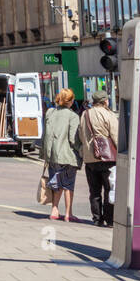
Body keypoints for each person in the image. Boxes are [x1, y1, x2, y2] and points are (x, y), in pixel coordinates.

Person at [43, 88, 83, 222]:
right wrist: (81, 150)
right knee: (68, 184)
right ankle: (68, 213)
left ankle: (54, 210)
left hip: (52, 154)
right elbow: (73, 138)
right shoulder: (73, 116)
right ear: (70, 101)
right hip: (67, 155)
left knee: (56, 183)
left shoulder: (50, 112)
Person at [79, 92, 119, 227]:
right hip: (107, 157)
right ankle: (110, 219)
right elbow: (116, 135)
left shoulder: (85, 114)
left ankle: (97, 219)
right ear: (106, 101)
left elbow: (80, 135)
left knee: (94, 191)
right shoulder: (108, 114)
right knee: (110, 189)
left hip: (90, 159)